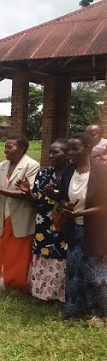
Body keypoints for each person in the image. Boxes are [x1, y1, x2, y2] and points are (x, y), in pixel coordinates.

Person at [57, 132, 107, 323]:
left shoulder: (101, 172)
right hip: (74, 229)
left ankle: (100, 313)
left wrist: (81, 213)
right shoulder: (69, 171)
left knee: (96, 274)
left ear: (87, 147)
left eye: (74, 149)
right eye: (69, 149)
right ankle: (74, 310)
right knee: (74, 271)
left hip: (95, 231)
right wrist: (65, 205)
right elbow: (61, 195)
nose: (70, 153)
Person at [0, 134, 40, 295]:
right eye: (5, 147)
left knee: (20, 251)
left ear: (21, 149)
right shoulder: (2, 166)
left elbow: (26, 193)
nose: (5, 150)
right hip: (4, 214)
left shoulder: (31, 166)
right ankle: (4, 281)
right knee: (5, 249)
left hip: (21, 215)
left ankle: (19, 282)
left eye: (9, 147)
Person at [16, 139, 69, 302]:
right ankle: (41, 292)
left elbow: (71, 200)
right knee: (42, 252)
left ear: (67, 155)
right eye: (50, 152)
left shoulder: (71, 174)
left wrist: (56, 196)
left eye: (56, 152)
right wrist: (27, 192)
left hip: (64, 222)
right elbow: (36, 201)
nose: (51, 155)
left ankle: (57, 295)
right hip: (43, 221)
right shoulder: (43, 173)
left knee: (60, 254)